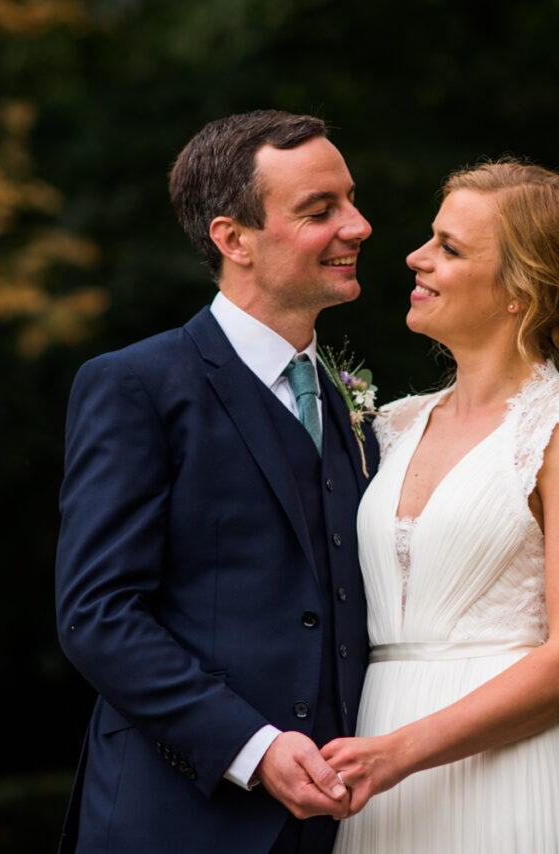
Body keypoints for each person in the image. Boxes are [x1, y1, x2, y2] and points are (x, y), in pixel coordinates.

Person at [53, 110, 379, 854]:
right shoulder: (136, 384)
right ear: (233, 239)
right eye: (319, 211)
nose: (357, 227)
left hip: (337, 822)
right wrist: (254, 746)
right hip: (174, 819)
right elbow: (97, 614)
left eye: (352, 201)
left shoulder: (346, 398)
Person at [323, 160, 559, 853]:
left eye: (450, 247)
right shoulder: (396, 427)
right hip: (378, 773)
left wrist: (402, 751)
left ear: (518, 292)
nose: (416, 256)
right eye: (431, 238)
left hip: (511, 772)